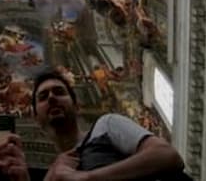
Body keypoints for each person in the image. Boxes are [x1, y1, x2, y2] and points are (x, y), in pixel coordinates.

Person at [32, 70, 185, 181]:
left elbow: (167, 155)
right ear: (36, 119)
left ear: (77, 107)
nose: (51, 97)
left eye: (59, 92)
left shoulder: (106, 125)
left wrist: (88, 178)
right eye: (43, 97)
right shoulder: (55, 174)